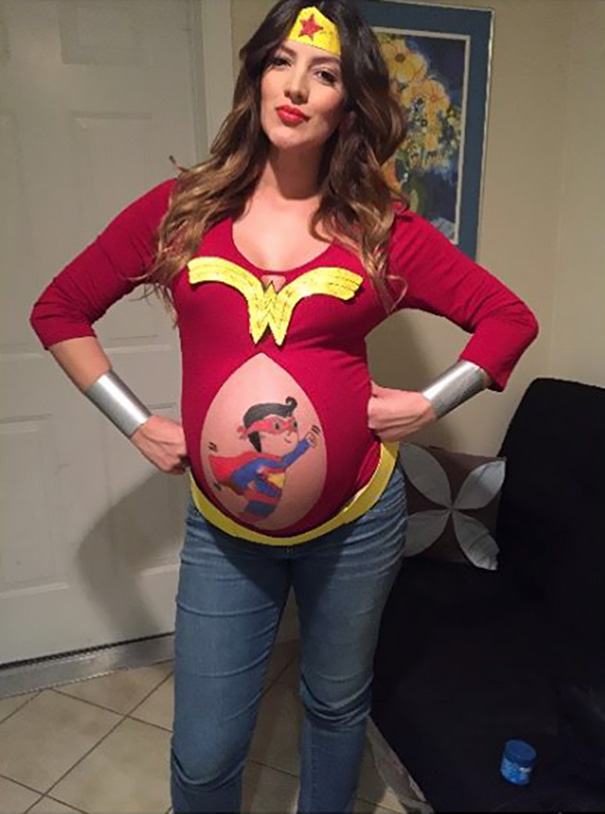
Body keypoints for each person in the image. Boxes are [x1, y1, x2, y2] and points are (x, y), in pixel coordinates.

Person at [29, 1, 539, 811]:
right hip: (225, 534)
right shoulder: (181, 211)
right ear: (256, 77)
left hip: (359, 522)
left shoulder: (381, 232)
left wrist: (427, 402)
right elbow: (59, 310)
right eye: (281, 62)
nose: (296, 87)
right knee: (205, 753)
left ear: (348, 103)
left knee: (334, 706)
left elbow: (507, 320)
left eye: (324, 73)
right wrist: (136, 422)